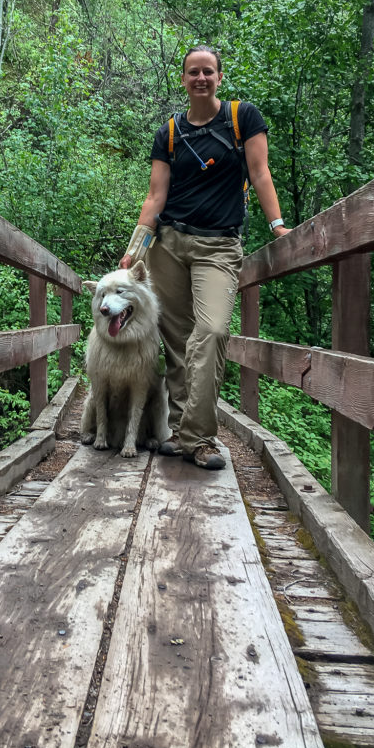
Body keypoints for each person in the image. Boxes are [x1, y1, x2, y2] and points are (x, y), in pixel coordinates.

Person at [120, 45, 290, 470]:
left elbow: (260, 173)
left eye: (208, 71)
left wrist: (278, 226)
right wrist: (134, 249)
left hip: (219, 245)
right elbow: (155, 196)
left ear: (219, 77)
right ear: (183, 79)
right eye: (193, 72)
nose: (200, 78)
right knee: (177, 342)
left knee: (211, 332)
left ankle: (200, 438)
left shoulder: (241, 118)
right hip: (170, 246)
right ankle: (181, 433)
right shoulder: (169, 133)